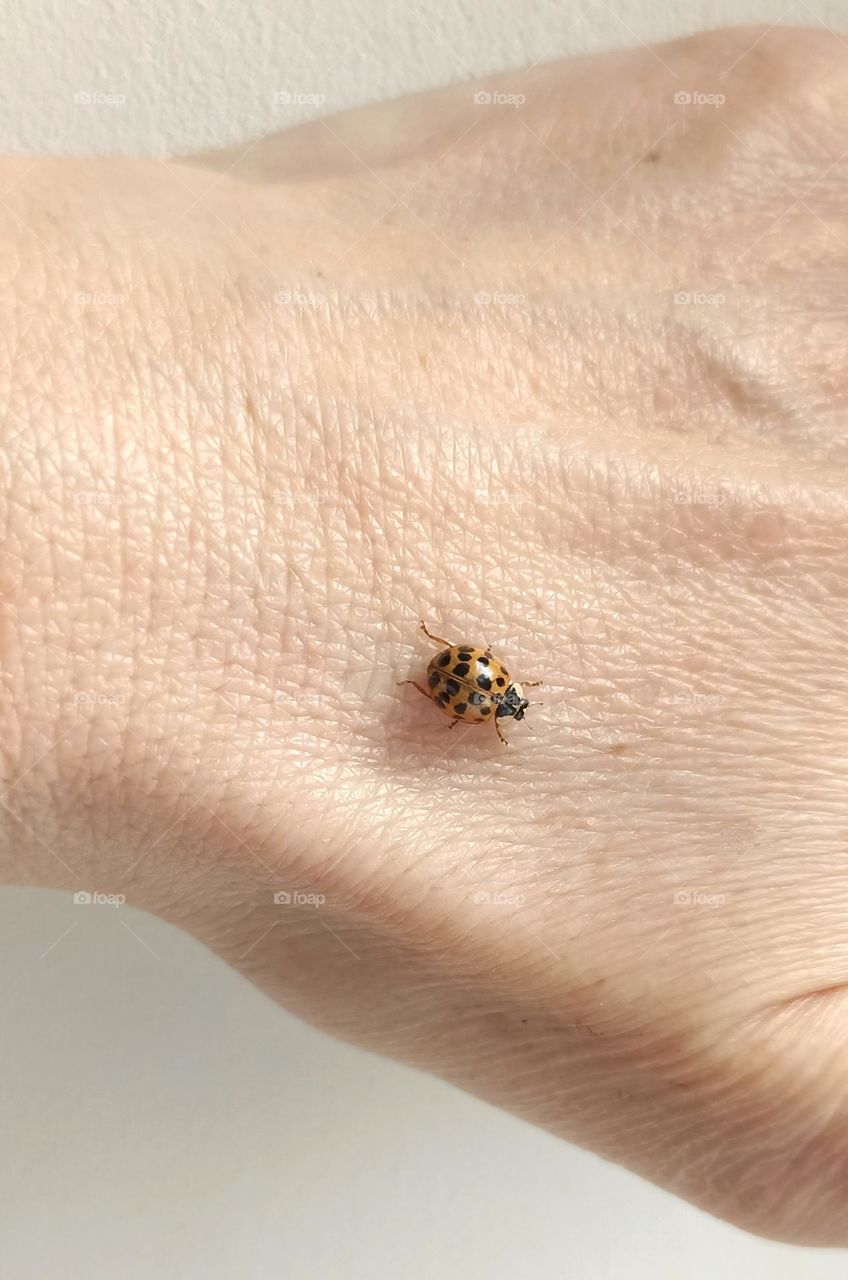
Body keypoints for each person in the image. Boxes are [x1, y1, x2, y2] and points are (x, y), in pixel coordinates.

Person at [2, 24, 847, 1245]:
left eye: (488, 697)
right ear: (490, 696)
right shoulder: (469, 691)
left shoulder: (478, 691)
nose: (489, 698)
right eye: (491, 696)